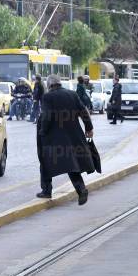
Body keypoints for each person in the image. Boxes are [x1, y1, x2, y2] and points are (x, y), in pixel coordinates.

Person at [36, 74, 95, 205]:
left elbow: (47, 116)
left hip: (55, 138)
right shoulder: (72, 94)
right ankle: (81, 189)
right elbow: (83, 111)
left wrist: (42, 132)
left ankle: (46, 190)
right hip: (73, 136)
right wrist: (89, 128)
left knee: (45, 161)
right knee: (71, 166)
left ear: (49, 85)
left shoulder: (47, 97)